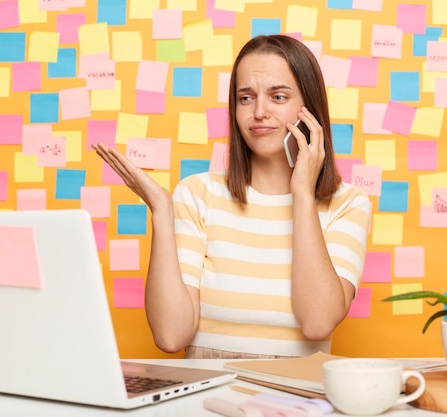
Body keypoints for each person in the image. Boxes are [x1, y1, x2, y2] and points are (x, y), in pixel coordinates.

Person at [93, 34, 370, 359]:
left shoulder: (348, 203)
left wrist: (303, 196)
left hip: (297, 399)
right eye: (245, 98)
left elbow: (318, 323)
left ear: (310, 108)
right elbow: (170, 336)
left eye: (278, 97)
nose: (259, 112)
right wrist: (162, 211)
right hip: (206, 395)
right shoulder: (198, 194)